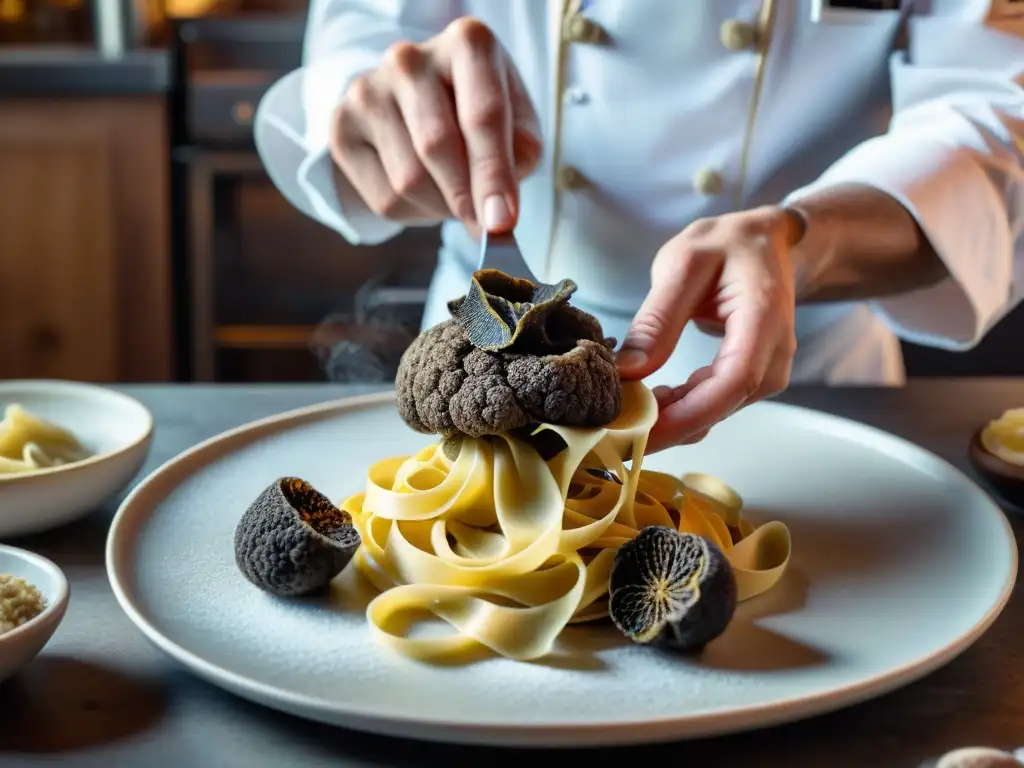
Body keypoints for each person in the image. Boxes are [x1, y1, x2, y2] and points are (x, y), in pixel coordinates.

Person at [254, 0, 1024, 453]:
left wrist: (805, 239)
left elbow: (996, 115)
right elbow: (362, 34)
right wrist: (370, 103)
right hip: (476, 383)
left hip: (806, 380)